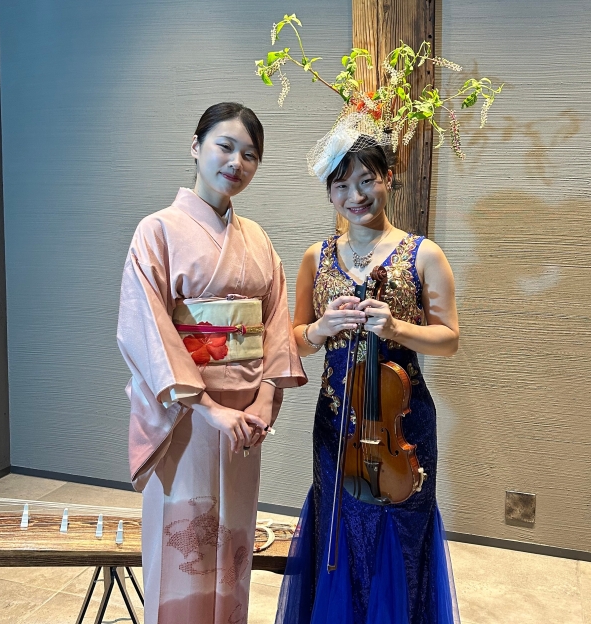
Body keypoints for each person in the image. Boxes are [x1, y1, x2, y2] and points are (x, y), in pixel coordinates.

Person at [117, 102, 307, 624]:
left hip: (246, 417)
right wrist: (208, 408)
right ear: (196, 146)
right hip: (187, 415)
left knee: (233, 541)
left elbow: (275, 323)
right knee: (185, 534)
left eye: (250, 155)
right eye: (225, 146)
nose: (236, 162)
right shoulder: (157, 231)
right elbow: (149, 330)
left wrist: (265, 399)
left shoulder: (258, 239)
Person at [276, 134, 462, 624]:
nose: (355, 195)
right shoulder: (316, 257)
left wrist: (397, 328)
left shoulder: (424, 254)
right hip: (336, 425)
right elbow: (293, 340)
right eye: (341, 185)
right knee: (338, 525)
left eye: (366, 180)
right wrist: (320, 329)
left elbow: (449, 339)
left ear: (388, 179)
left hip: (403, 426)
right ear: (329, 192)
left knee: (399, 528)